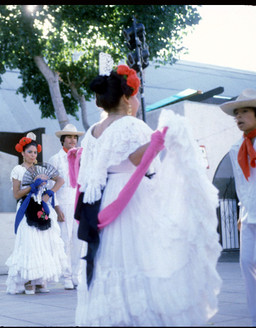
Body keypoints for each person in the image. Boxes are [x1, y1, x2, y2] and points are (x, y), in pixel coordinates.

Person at [74, 64, 222, 326]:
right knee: (141, 258)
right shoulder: (131, 125)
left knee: (109, 259)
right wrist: (159, 139)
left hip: (103, 200)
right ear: (126, 97)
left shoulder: (92, 132)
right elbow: (136, 158)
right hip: (130, 197)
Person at [220, 88, 256, 326]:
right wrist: (240, 213)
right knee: (247, 263)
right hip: (249, 212)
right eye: (236, 113)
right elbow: (241, 184)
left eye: (244, 112)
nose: (238, 117)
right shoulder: (234, 148)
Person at [5, 132, 68, 295]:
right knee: (29, 242)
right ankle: (27, 280)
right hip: (26, 207)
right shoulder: (18, 169)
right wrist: (31, 187)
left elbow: (60, 180)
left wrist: (49, 193)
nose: (33, 155)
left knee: (43, 242)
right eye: (29, 152)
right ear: (22, 153)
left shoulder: (42, 169)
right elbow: (16, 194)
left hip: (41, 205)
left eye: (35, 152)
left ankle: (41, 280)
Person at [48, 124, 86, 290]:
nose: (73, 140)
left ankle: (77, 275)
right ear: (62, 140)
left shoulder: (82, 157)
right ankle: (67, 276)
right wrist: (56, 208)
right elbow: (50, 187)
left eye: (75, 137)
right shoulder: (55, 159)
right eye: (69, 137)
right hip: (63, 203)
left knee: (79, 241)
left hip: (79, 203)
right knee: (65, 240)